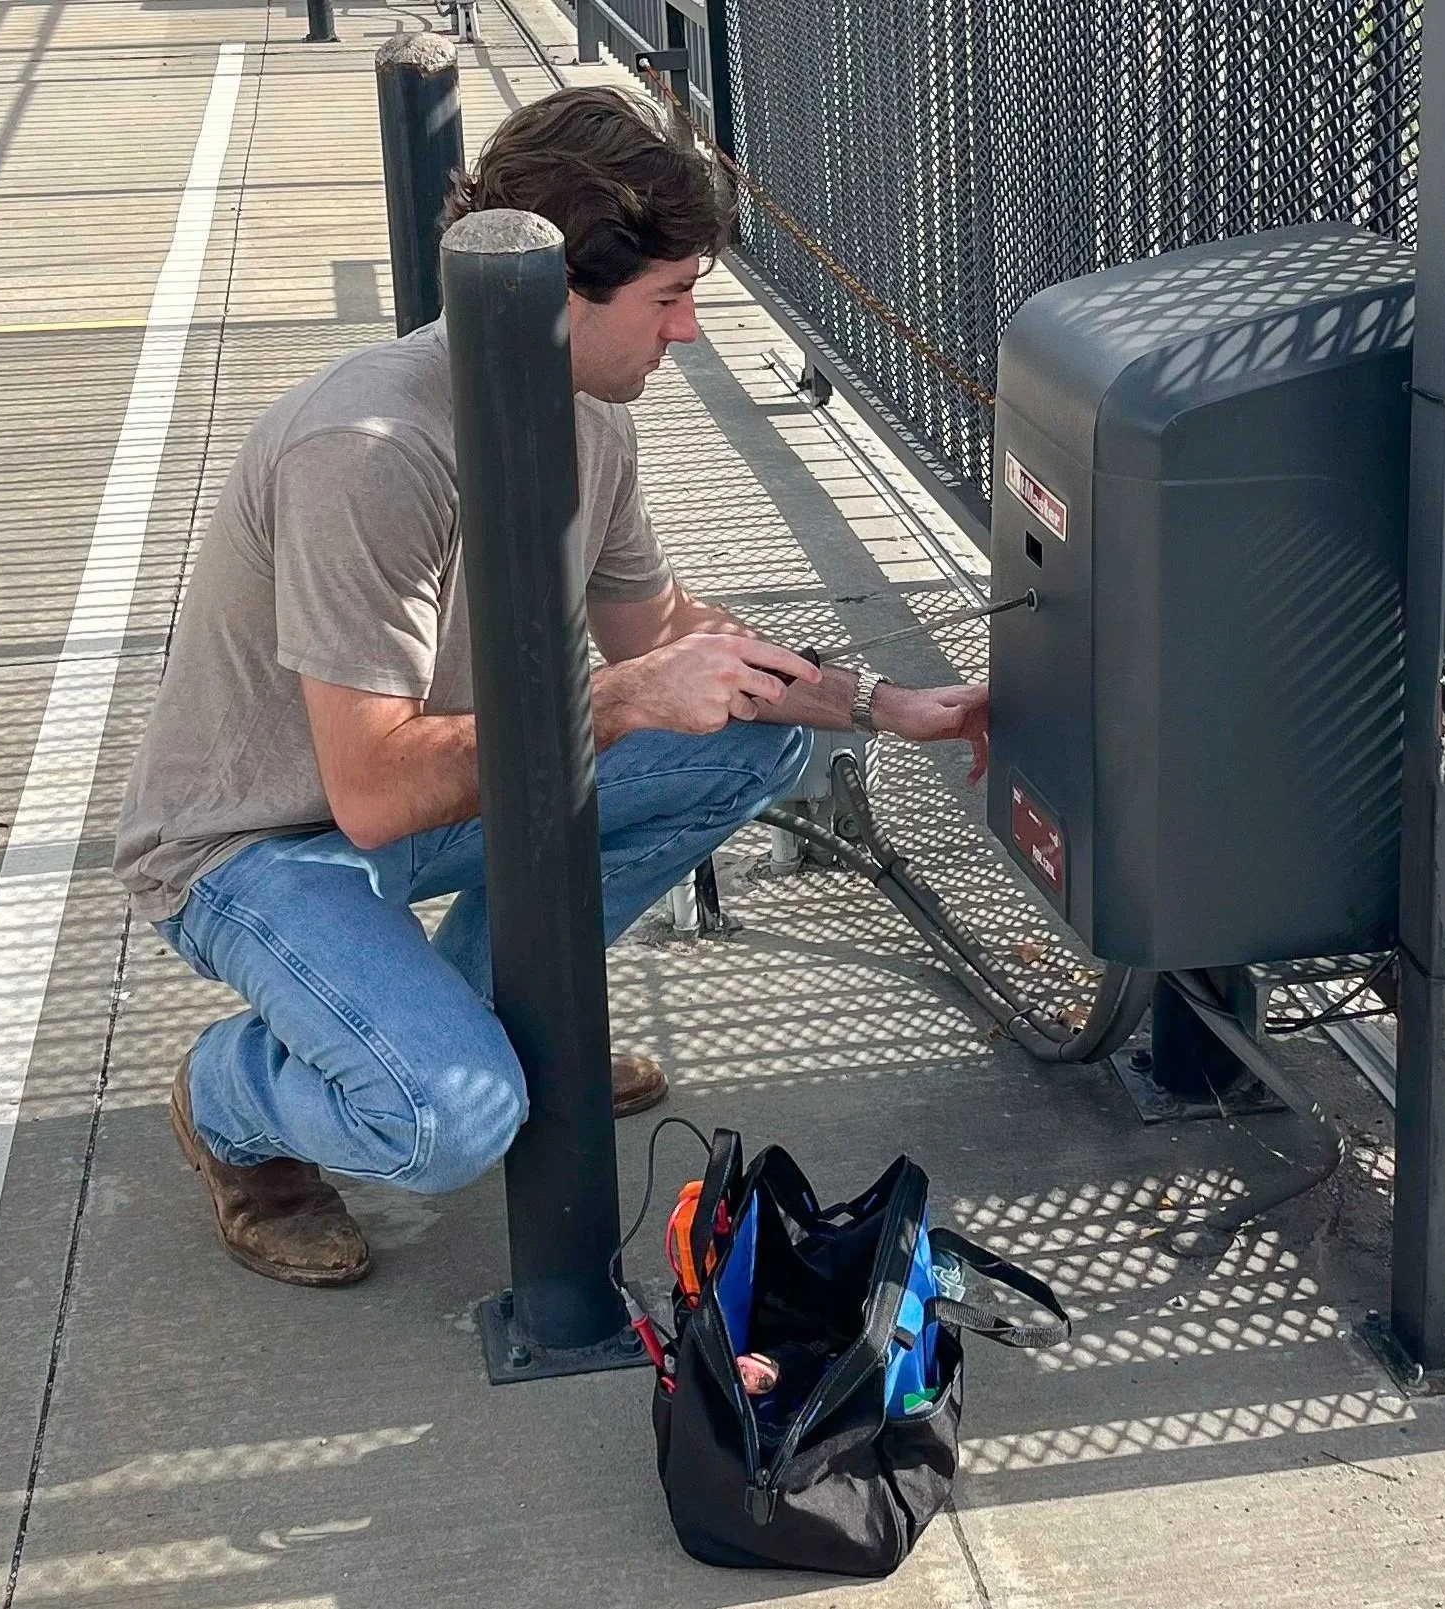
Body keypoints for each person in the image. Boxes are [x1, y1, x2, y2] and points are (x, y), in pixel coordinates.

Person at [112, 86, 991, 1288]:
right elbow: (367, 791)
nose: (687, 333)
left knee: (756, 742)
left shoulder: (588, 418)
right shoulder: (366, 453)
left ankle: (509, 1033)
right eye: (668, 300)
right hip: (261, 843)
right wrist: (624, 699)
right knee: (444, 1123)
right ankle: (229, 1102)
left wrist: (886, 705)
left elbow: (667, 630)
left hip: (451, 785)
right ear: (557, 292)